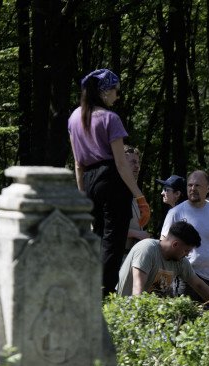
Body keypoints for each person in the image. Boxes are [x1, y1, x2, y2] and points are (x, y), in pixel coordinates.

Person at [68, 68, 150, 296]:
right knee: (112, 240)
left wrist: (81, 195)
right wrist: (139, 196)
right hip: (111, 180)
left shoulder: (74, 117)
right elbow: (122, 164)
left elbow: (78, 163)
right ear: (105, 92)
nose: (118, 96)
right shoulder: (110, 118)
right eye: (116, 90)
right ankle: (104, 293)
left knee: (95, 236)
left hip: (89, 180)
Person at [116, 221, 209, 310]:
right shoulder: (147, 250)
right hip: (127, 311)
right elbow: (137, 291)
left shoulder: (180, 261)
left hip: (152, 315)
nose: (187, 254)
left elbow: (199, 286)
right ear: (175, 245)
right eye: (186, 250)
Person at [160, 170, 209, 301]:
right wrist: (163, 283)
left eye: (197, 185)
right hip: (185, 278)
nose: (193, 189)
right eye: (190, 185)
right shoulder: (175, 212)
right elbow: (163, 247)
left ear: (208, 188)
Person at [125, 145, 150, 250]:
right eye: (133, 162)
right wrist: (138, 234)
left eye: (138, 162)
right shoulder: (113, 192)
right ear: (122, 163)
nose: (137, 166)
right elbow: (106, 228)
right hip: (114, 257)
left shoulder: (133, 193)